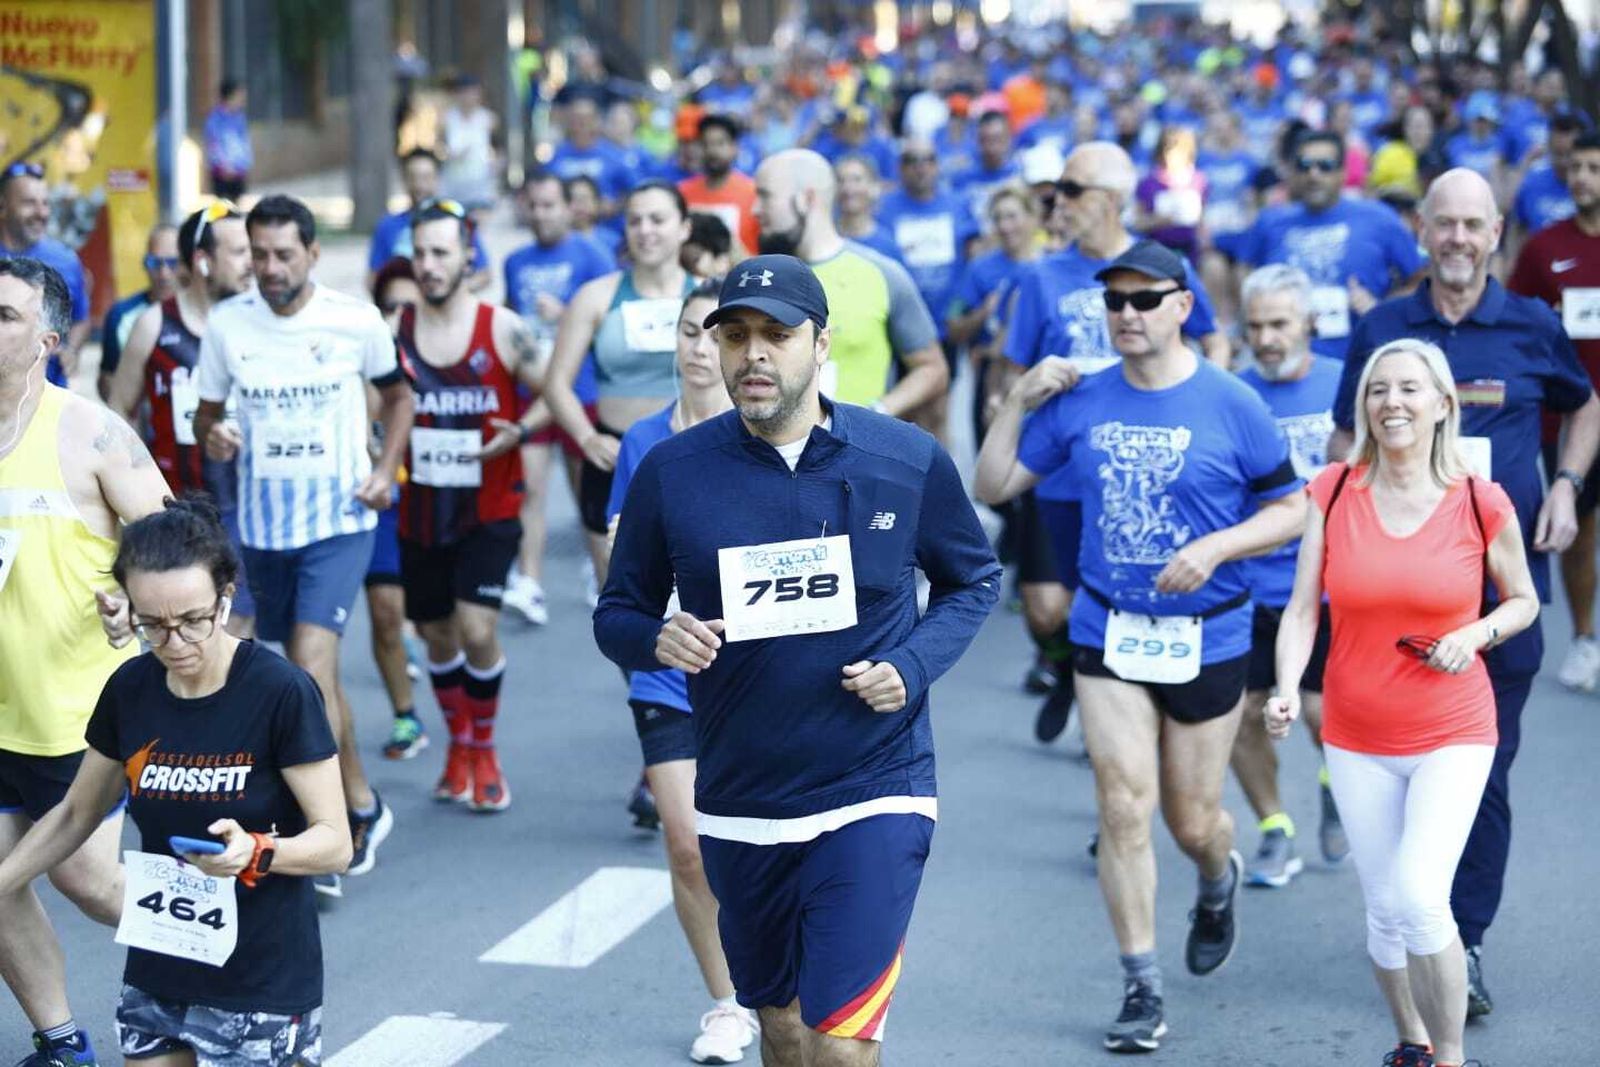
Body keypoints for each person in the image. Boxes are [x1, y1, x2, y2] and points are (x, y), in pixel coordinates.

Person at [596, 254, 1000, 1065]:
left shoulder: (903, 458)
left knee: (840, 1042)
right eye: (736, 334)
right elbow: (619, 611)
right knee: (781, 1029)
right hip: (743, 796)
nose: (752, 354)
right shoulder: (674, 471)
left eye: (776, 335)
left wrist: (913, 666)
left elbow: (973, 579)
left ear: (821, 345)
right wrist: (655, 637)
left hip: (874, 787)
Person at [975, 240, 1307, 1054]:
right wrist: (1016, 399)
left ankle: (1216, 876)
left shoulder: (1232, 401)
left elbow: (1294, 507)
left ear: (1182, 306)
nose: (1124, 314)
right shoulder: (1081, 398)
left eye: (1142, 300)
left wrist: (1218, 548)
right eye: (1113, 302)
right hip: (1108, 630)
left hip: (1210, 632)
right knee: (1124, 806)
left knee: (1194, 821)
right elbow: (991, 486)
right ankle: (1140, 984)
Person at [1330, 168, 1600, 1020]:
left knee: (1481, 782)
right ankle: (1412, 915)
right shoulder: (1383, 327)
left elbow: (1585, 406)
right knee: (1390, 776)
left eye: (1472, 225)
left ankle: (1458, 937)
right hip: (1391, 604)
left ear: (1496, 234)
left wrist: (1564, 484)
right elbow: (1346, 442)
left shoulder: (1528, 324)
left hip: (1496, 597)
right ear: (1421, 229)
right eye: (1442, 223)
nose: (1456, 239)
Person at [0, 498, 352, 1067]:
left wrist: (258, 851)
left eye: (194, 620)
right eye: (153, 625)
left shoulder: (280, 692)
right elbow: (74, 815)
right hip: (160, 962)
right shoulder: (130, 689)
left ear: (227, 596)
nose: (176, 642)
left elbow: (335, 843)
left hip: (261, 980)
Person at [1268, 338, 1538, 1067]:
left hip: (1453, 727)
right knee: (1384, 910)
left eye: (1410, 389)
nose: (1392, 402)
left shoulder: (1480, 500)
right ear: (1363, 407)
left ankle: (1451, 1057)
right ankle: (1411, 1044)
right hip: (1356, 732)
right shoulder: (1330, 490)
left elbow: (1523, 600)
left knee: (1421, 896)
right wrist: (1289, 688)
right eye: (1378, 390)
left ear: (1443, 404)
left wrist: (1475, 632)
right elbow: (1302, 612)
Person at [191, 195, 415, 898]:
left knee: (313, 668)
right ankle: (361, 801)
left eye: (285, 254)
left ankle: (332, 832)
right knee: (300, 671)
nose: (270, 268)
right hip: (262, 530)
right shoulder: (229, 325)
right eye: (258, 254)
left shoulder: (354, 320)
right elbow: (205, 414)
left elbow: (400, 396)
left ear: (313, 254)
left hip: (340, 522)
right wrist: (216, 435)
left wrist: (384, 471)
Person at [0, 256, 169, 1067]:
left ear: (49, 339)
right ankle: (62, 1041)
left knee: (95, 885)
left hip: (73, 713)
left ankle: (236, 944)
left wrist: (131, 604)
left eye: (4, 316)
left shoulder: (91, 432)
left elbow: (174, 548)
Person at [1004, 144, 1229, 745]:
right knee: (1048, 608)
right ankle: (1064, 662)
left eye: (1072, 190)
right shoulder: (1043, 274)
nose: (1059, 202)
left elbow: (1213, 343)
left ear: (1110, 199)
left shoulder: (1160, 264)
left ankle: (1106, 705)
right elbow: (1012, 371)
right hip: (1057, 471)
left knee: (1115, 603)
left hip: (1143, 473)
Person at [602, 278, 761, 1063]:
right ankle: (728, 1003)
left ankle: (785, 974)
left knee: (765, 842)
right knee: (689, 843)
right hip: (671, 664)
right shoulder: (644, 444)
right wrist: (653, 622)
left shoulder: (767, 434)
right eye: (690, 331)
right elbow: (622, 557)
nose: (700, 348)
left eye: (716, 334)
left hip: (765, 668)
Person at [396, 199, 549, 813]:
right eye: (421, 254)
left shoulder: (504, 328)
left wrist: (520, 429)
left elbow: (554, 393)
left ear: (467, 256)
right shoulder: (395, 331)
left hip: (489, 507)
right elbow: (375, 404)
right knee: (436, 634)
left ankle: (484, 748)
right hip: (420, 511)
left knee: (477, 627)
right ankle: (457, 742)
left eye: (441, 252)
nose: (430, 265)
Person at [1229, 265, 1348, 887]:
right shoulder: (1233, 395)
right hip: (1250, 589)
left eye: (1279, 324)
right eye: (1255, 327)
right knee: (1242, 716)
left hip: (1330, 586)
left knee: (1320, 713)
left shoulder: (1345, 385)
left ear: (1310, 322)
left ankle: (1336, 782)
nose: (1267, 338)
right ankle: (1275, 829)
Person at [110, 201, 258, 636]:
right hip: (174, 507)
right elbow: (118, 411)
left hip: (244, 506)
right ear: (203, 260)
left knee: (236, 626)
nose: (253, 263)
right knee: (175, 626)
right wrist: (135, 483)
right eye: (241, 252)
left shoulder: (257, 326)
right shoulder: (154, 325)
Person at [500, 170, 617, 626]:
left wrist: (566, 314)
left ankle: (600, 573)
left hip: (578, 390)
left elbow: (611, 318)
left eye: (550, 204)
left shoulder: (592, 254)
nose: (542, 213)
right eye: (534, 205)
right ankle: (529, 583)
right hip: (531, 392)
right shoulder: (515, 261)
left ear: (569, 208)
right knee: (529, 488)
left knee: (585, 491)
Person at [752, 149, 948, 416]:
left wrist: (876, 415)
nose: (755, 209)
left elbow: (932, 368)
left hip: (857, 453)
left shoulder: (882, 273)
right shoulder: (758, 279)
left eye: (765, 196)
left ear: (806, 199)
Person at [1508, 131, 1600, 691]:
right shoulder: (1544, 248)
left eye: (1593, 168)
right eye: (1576, 169)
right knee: (1581, 533)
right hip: (1569, 419)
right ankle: (1585, 639)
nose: (1583, 178)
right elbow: (1517, 323)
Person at [1238, 129, 1426, 362]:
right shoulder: (1269, 221)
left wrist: (1381, 309)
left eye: (1325, 165)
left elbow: (1420, 279)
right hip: (1284, 365)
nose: (1313, 174)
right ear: (1293, 172)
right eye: (1304, 165)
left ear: (1342, 172)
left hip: (1360, 362)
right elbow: (1244, 271)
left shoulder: (1380, 218)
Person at [369, 258, 428, 760]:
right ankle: (406, 715)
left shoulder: (440, 353)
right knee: (386, 613)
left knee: (441, 623)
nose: (399, 315)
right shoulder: (367, 357)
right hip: (384, 501)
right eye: (390, 306)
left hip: (438, 501)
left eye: (409, 306)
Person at [0, 163, 89, 384]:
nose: (41, 213)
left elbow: (80, 319)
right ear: (2, 205)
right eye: (29, 203)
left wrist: (71, 350)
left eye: (45, 203)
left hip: (48, 399)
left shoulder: (66, 260)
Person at [365, 149, 490, 294]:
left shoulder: (458, 221)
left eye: (426, 178)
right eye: (413, 177)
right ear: (404, 180)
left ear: (437, 179)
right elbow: (372, 279)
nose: (419, 185)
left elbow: (484, 274)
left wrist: (445, 296)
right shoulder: (387, 226)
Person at [97, 223, 180, 401]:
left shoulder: (207, 313)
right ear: (144, 263)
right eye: (155, 263)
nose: (164, 273)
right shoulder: (120, 316)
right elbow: (107, 380)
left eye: (173, 263)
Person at [679, 114, 761, 257]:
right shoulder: (682, 192)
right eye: (705, 144)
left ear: (735, 148)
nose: (712, 151)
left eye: (720, 143)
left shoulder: (754, 193)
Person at [438, 75, 500, 214]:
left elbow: (497, 147)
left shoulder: (488, 119)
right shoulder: (446, 119)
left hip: (479, 179)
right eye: (464, 93)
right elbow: (439, 147)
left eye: (473, 93)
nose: (469, 97)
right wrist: (448, 154)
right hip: (453, 180)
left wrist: (496, 163)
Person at [831, 154, 902, 262]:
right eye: (841, 180)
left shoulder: (887, 244)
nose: (848, 188)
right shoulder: (825, 241)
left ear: (874, 187)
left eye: (856, 180)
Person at [203, 78, 253, 200]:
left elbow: (245, 143)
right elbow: (213, 145)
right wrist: (224, 166)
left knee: (236, 205)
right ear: (229, 96)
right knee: (223, 209)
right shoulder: (215, 119)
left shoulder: (240, 118)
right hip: (222, 173)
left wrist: (245, 163)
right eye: (239, 96)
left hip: (238, 172)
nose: (242, 100)